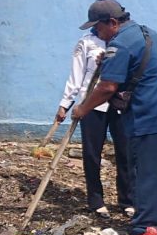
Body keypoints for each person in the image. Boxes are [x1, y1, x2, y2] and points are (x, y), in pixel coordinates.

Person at [71, 0, 157, 235]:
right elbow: (137, 67)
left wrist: (83, 109)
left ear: (113, 22)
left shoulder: (120, 45)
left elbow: (107, 87)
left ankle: (143, 228)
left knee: (149, 175)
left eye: (98, 28)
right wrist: (107, 61)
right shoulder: (149, 34)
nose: (98, 34)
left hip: (152, 119)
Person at [57, 25, 133, 218]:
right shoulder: (87, 43)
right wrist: (65, 103)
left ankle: (127, 200)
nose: (98, 30)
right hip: (91, 104)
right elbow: (76, 76)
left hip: (119, 103)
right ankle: (96, 200)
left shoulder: (125, 42)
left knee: (125, 152)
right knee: (92, 153)